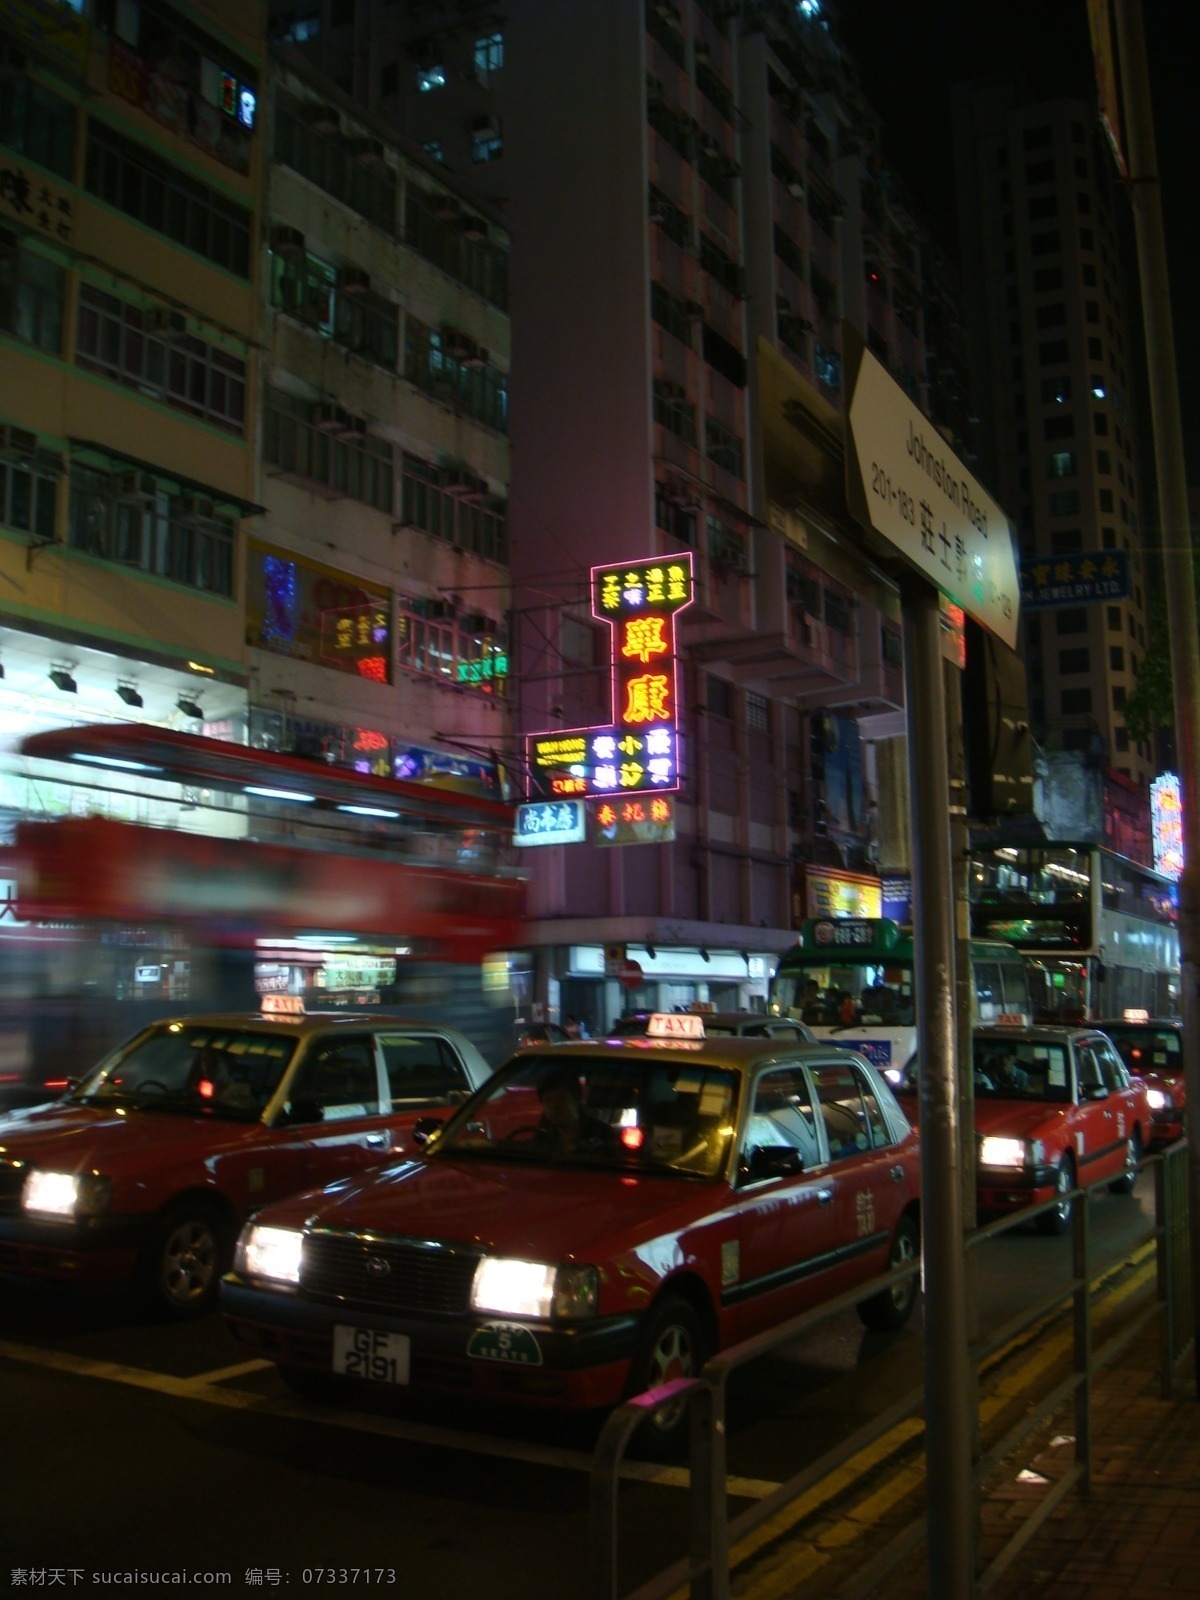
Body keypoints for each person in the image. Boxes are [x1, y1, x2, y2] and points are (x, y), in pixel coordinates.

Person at [534, 1066, 614, 1155]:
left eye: (562, 1099)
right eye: (548, 1100)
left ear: (577, 1100)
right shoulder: (544, 1135)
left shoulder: (602, 1134)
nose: (554, 1106)